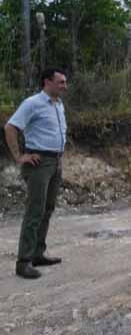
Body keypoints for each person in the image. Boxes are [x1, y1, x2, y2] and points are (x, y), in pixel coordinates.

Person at [4, 68, 68, 279]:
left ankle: (38, 253)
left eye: (65, 82)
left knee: (47, 208)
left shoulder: (58, 104)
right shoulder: (32, 103)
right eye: (60, 82)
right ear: (46, 82)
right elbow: (10, 127)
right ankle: (23, 262)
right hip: (39, 163)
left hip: (56, 161)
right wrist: (19, 156)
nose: (64, 86)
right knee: (35, 210)